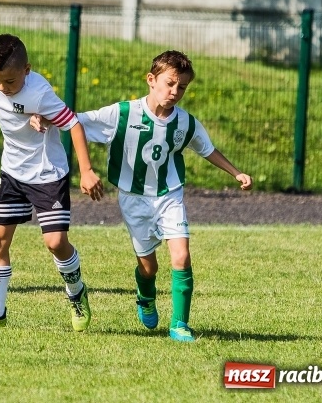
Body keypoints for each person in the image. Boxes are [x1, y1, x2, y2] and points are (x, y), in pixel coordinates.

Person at [33, 50, 253, 342]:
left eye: (182, 87)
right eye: (169, 84)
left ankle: (179, 325)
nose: (175, 92)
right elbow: (77, 121)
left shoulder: (185, 123)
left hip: (169, 194)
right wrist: (46, 118)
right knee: (149, 268)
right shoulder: (122, 113)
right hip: (134, 198)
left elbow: (206, 148)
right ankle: (145, 296)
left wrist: (235, 172)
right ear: (151, 80)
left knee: (182, 256)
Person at [0, 33, 104, 332]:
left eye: (10, 83)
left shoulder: (39, 94)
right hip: (12, 172)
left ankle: (76, 292)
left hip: (46, 174)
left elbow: (74, 125)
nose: (2, 87)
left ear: (26, 70)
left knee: (55, 243)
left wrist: (87, 171)